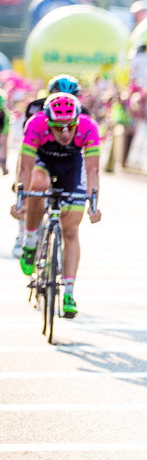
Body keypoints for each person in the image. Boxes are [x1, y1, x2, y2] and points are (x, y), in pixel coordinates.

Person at [11, 92, 102, 317]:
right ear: (48, 122)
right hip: (43, 161)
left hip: (71, 166)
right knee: (38, 184)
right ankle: (31, 242)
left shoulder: (88, 127)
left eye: (70, 127)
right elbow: (24, 168)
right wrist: (20, 200)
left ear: (77, 122)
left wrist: (93, 203)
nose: (64, 132)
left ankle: (69, 291)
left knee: (71, 230)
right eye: (58, 127)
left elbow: (92, 170)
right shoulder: (36, 124)